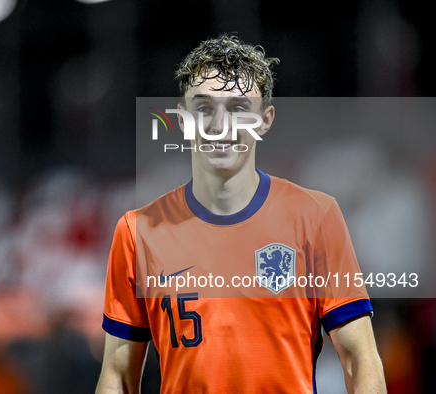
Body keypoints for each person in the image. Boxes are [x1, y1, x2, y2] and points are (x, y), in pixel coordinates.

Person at [96, 34, 386, 393]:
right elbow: (118, 373)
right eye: (204, 108)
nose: (220, 125)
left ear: (264, 121)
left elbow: (361, 358)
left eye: (238, 108)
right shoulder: (137, 232)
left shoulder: (315, 216)